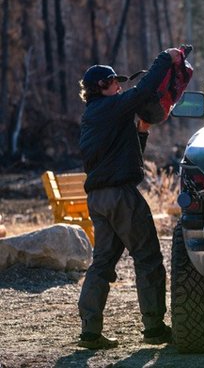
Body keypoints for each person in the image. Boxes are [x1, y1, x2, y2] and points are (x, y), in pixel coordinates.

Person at [77, 47, 182, 349]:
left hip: (98, 198)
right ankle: (154, 329)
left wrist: (143, 132)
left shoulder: (95, 115)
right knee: (148, 257)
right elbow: (145, 90)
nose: (119, 86)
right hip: (121, 196)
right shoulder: (107, 108)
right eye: (113, 82)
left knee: (102, 263)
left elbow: (121, 153)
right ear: (100, 87)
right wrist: (166, 58)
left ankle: (89, 332)